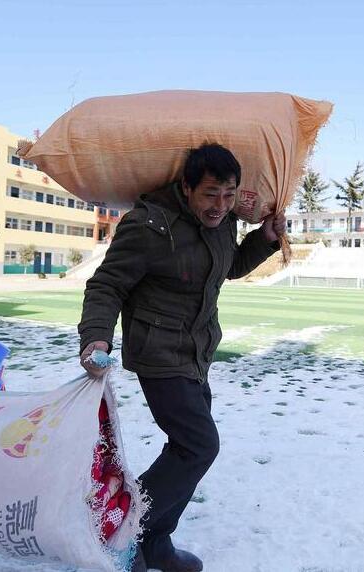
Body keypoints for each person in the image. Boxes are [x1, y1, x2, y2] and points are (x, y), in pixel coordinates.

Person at [78, 143, 285, 572]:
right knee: (199, 445)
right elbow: (107, 285)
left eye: (229, 196)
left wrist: (263, 241)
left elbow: (225, 266)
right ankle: (120, 529)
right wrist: (96, 337)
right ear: (187, 187)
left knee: (187, 450)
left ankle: (154, 544)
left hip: (197, 351)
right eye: (210, 194)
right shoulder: (149, 226)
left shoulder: (223, 223)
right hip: (158, 352)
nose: (220, 206)